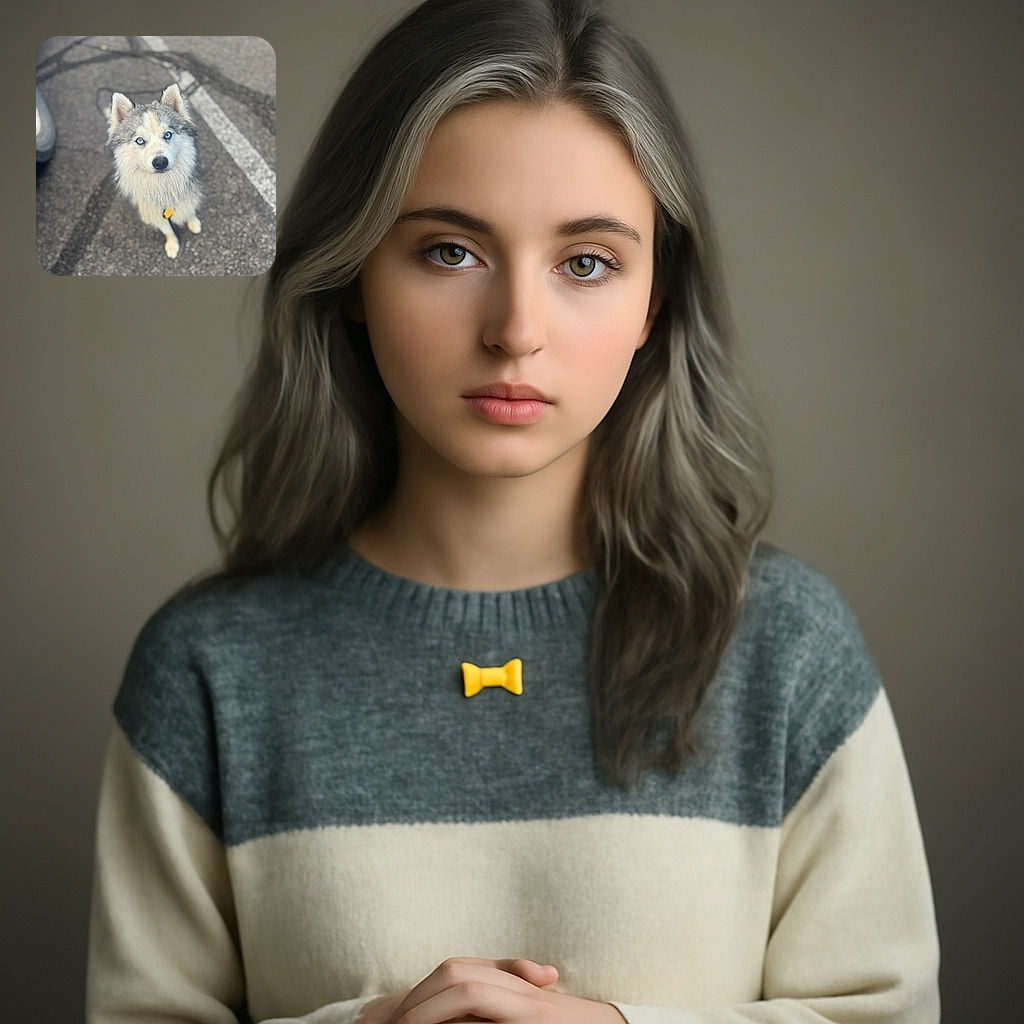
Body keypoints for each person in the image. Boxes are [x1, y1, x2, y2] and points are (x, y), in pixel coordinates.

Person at [86, 1, 940, 1021]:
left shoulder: (788, 651)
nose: (516, 331)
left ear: (654, 301)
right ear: (354, 270)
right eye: (450, 251)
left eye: (586, 262)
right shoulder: (206, 673)